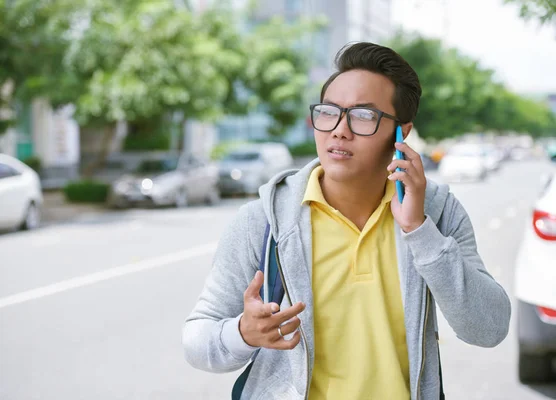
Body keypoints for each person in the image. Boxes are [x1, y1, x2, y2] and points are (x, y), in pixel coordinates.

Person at [183, 42, 511, 400]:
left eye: (363, 116)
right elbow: (197, 340)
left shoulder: (438, 213)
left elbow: (489, 328)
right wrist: (244, 333)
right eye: (328, 113)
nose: (339, 130)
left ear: (402, 132)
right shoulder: (263, 220)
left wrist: (419, 231)